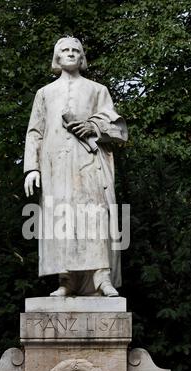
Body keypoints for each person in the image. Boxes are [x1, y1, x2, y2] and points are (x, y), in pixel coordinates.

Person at [24, 37, 127, 297]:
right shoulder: (44, 93)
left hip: (89, 163)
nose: (70, 54)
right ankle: (66, 281)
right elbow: (34, 132)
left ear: (82, 58)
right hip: (54, 167)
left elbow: (117, 128)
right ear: (57, 58)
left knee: (94, 216)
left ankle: (102, 277)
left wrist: (93, 126)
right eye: (64, 50)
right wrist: (31, 169)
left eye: (75, 50)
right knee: (61, 219)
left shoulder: (97, 90)